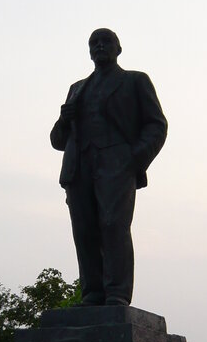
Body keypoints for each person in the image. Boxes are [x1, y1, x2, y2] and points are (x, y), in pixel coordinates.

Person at [50, 28, 167, 306]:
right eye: (94, 43)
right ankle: (92, 292)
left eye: (106, 42)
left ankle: (116, 293)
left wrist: (133, 157)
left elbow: (157, 124)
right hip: (79, 167)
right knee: (84, 229)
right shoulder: (77, 89)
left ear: (118, 49)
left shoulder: (134, 81)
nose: (99, 46)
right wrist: (64, 120)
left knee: (114, 225)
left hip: (117, 162)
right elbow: (57, 140)